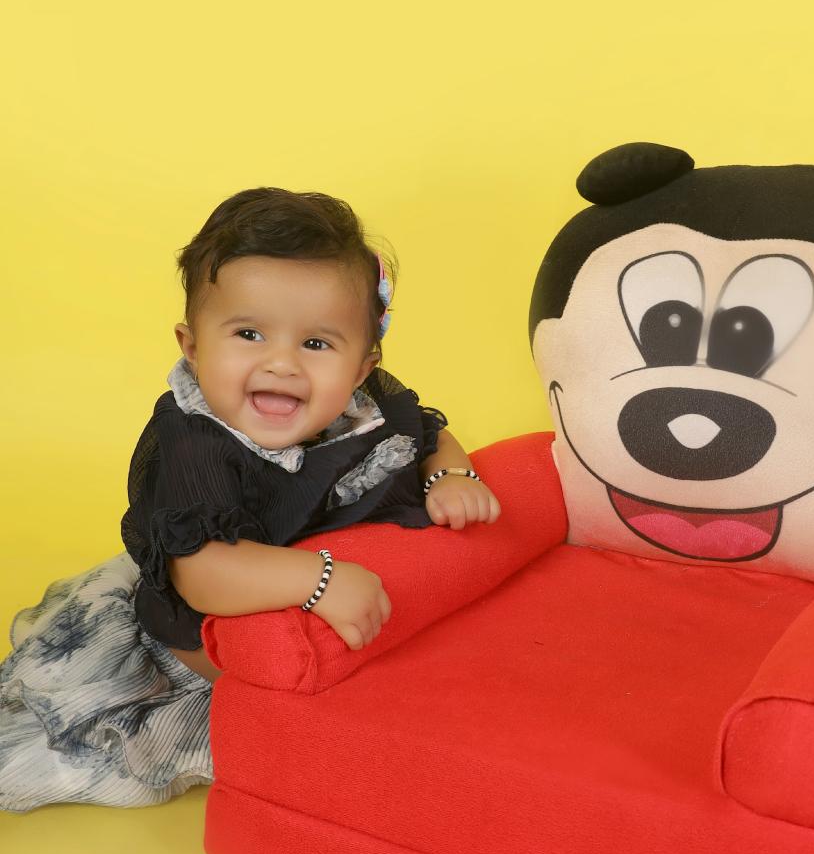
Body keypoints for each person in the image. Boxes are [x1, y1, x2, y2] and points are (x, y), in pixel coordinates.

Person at [0, 187, 499, 812]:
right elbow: (204, 574)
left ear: (362, 367)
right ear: (192, 347)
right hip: (195, 645)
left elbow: (428, 434)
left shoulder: (365, 412)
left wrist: (450, 477)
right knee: (91, 753)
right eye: (249, 334)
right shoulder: (196, 444)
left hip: (315, 612)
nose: (282, 363)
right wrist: (319, 580)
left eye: (316, 344)